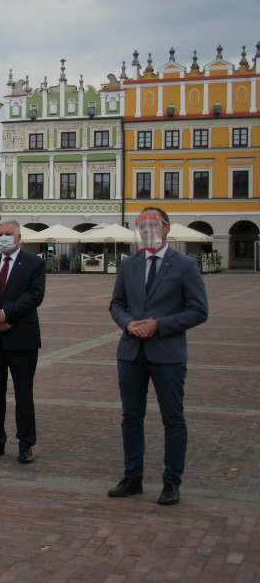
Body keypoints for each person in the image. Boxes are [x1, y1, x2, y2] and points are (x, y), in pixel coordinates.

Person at [107, 206, 208, 506]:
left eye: (154, 223)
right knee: (131, 416)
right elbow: (116, 304)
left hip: (167, 354)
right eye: (142, 224)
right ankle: (132, 476)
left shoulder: (185, 265)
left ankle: (171, 481)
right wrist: (127, 322)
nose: (147, 228)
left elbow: (198, 310)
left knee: (173, 419)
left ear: (166, 228)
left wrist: (159, 325)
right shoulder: (130, 265)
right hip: (131, 352)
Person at [0, 220, 46, 464]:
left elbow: (35, 295)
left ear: (19, 237)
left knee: (23, 392)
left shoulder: (34, 263)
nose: (3, 238)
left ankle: (26, 443)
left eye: (8, 234)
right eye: (0, 234)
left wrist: (7, 313)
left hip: (22, 337)